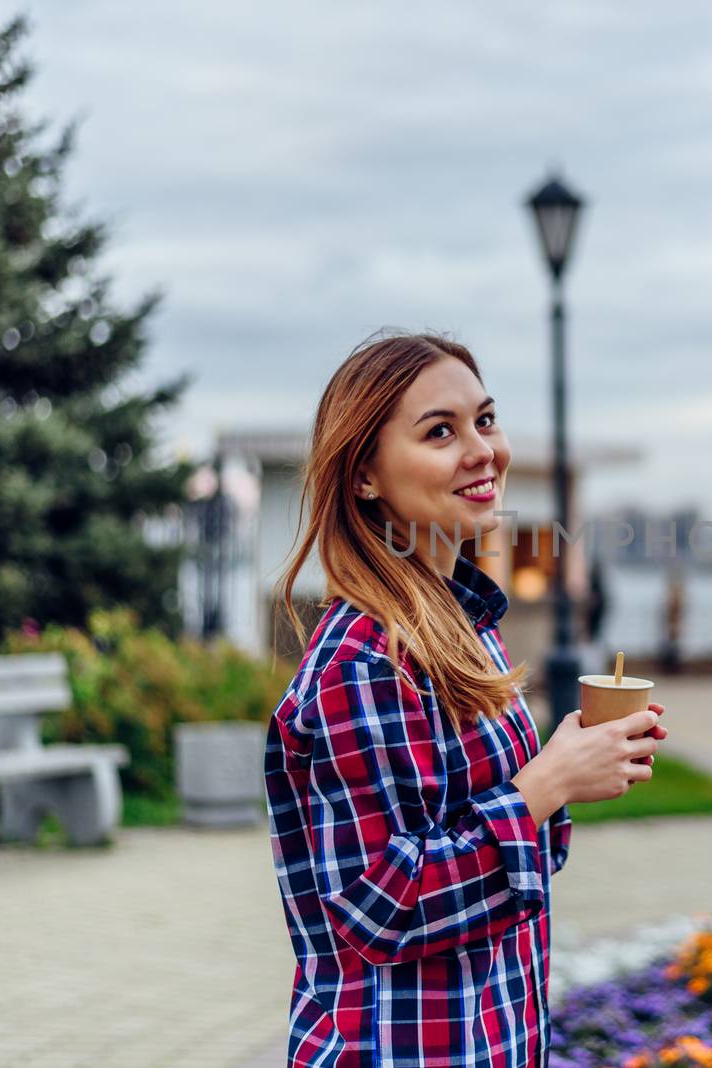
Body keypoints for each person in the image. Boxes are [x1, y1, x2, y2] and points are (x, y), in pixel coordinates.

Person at [264, 333, 670, 1067]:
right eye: (440, 432)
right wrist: (546, 784)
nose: (483, 449)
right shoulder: (364, 661)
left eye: (485, 420)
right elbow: (383, 907)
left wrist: (575, 765)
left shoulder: (464, 630)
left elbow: (512, 860)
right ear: (364, 475)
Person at [660, 564, 686, 674]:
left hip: (673, 625)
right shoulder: (676, 594)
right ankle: (671, 668)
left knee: (673, 647)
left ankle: (672, 668)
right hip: (672, 625)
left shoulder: (674, 595)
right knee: (671, 647)